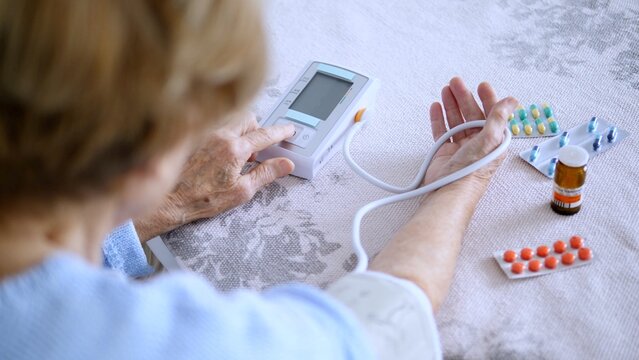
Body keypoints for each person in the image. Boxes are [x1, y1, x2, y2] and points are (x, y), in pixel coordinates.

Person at [0, 1, 518, 359]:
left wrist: (162, 207)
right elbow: (381, 329)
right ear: (147, 154)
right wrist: (457, 186)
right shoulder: (128, 336)